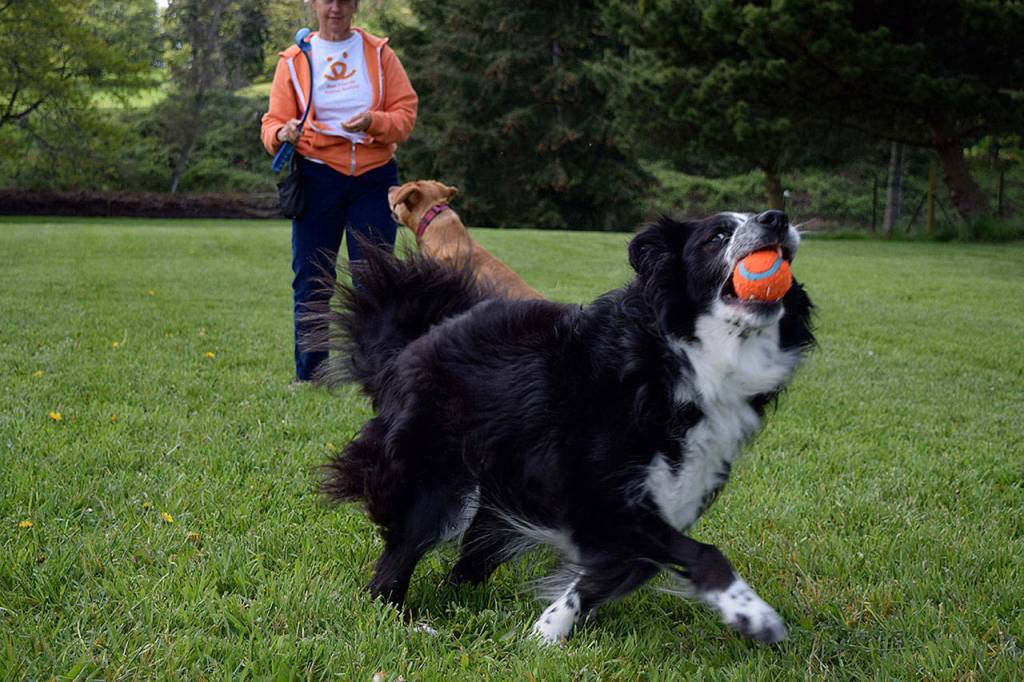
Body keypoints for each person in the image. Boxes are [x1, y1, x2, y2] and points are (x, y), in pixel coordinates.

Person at [261, 0, 417, 384]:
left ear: (356, 5)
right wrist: (283, 133)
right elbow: (272, 123)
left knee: (375, 278)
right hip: (318, 177)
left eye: (344, 0)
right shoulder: (295, 59)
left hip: (374, 177)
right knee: (312, 277)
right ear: (312, 4)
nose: (335, 7)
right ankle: (311, 374)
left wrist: (374, 121)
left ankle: (376, 375)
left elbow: (405, 116)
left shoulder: (380, 54)